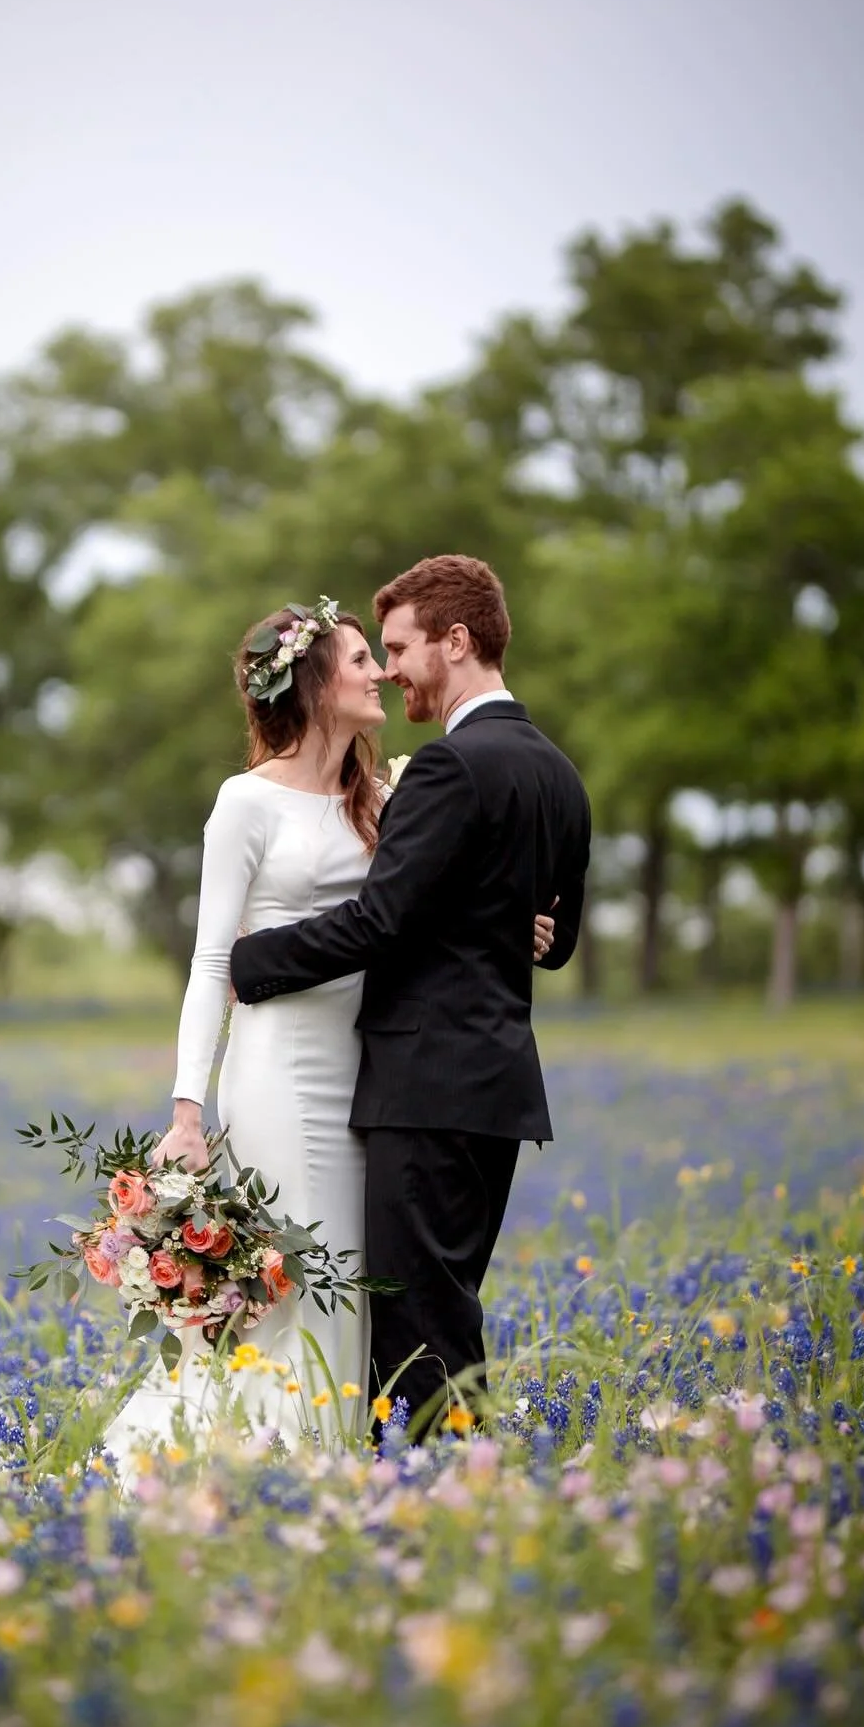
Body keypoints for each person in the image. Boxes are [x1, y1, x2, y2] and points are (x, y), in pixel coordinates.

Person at [101, 588, 558, 1466]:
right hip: (279, 1068)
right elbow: (210, 962)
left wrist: (516, 924)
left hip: (372, 1069)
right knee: (299, 1279)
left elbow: (426, 907)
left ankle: (340, 1460)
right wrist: (188, 1109)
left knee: (360, 1278)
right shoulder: (245, 802)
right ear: (313, 685)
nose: (382, 671)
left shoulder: (383, 795)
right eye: (360, 660)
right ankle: (265, 1461)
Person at [229, 555, 590, 1436]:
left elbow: (377, 923)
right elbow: (555, 938)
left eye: (398, 648)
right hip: (497, 1090)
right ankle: (450, 1493)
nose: (389, 669)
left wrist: (253, 961)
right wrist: (505, 927)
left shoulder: (447, 769)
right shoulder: (559, 775)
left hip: (426, 1085)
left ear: (456, 642)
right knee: (447, 1308)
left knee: (419, 1330)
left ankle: (438, 1500)